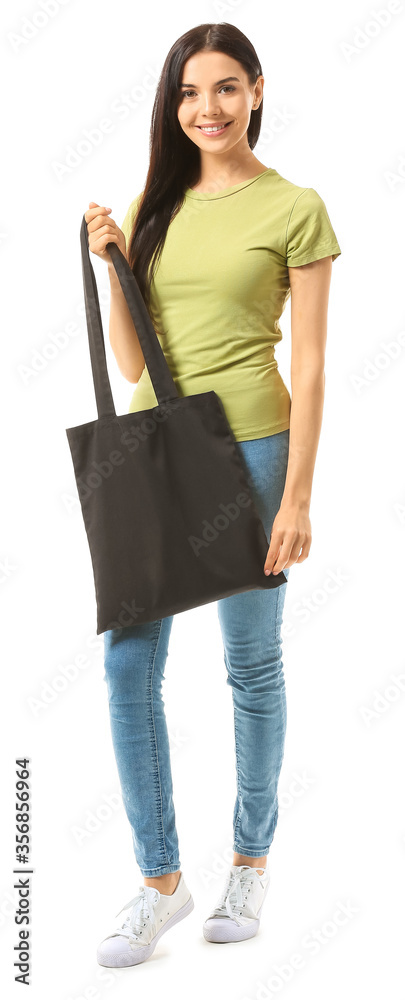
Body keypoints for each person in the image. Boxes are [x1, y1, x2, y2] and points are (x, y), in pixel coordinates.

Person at [84, 22, 341, 969]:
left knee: (250, 668)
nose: (208, 109)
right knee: (126, 666)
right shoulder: (157, 199)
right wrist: (114, 261)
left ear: (257, 91)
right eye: (192, 93)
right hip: (154, 451)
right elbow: (130, 357)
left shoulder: (295, 207)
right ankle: (159, 881)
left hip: (255, 452)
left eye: (227, 89)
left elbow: (310, 366)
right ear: (173, 102)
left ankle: (249, 862)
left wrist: (298, 499)